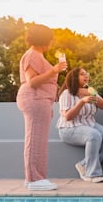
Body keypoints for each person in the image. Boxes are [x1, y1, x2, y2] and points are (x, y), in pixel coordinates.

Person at [16, 24, 67, 191]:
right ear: (44, 39)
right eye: (50, 39)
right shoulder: (32, 55)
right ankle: (34, 179)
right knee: (35, 139)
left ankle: (36, 177)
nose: (51, 43)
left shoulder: (37, 55)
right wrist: (54, 70)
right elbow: (32, 81)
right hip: (34, 98)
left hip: (40, 100)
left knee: (39, 140)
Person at [56, 67, 103, 183]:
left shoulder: (90, 91)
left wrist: (94, 95)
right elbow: (67, 117)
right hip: (69, 128)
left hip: (89, 124)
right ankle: (92, 173)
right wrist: (82, 101)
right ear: (75, 78)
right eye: (82, 74)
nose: (86, 76)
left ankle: (84, 164)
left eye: (86, 73)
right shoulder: (66, 94)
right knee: (94, 135)